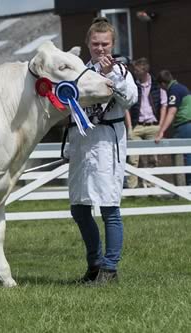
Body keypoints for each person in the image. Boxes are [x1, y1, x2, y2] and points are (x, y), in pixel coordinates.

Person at [66, 17, 138, 284]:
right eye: (95, 43)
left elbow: (131, 99)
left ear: (112, 43)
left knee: (109, 206)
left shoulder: (120, 71)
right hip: (82, 143)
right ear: (88, 43)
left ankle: (110, 268)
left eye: (105, 43)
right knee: (79, 208)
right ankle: (94, 264)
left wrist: (110, 78)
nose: (100, 48)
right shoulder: (79, 72)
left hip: (107, 144)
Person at [125, 58, 167, 188]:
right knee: (133, 159)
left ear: (144, 70)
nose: (135, 72)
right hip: (137, 126)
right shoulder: (132, 85)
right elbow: (126, 107)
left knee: (152, 159)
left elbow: (163, 106)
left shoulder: (157, 86)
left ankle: (149, 187)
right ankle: (132, 189)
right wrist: (130, 127)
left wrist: (160, 127)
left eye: (137, 70)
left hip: (153, 126)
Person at [155, 70, 191, 185]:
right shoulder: (181, 87)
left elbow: (171, 112)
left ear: (163, 84)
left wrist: (161, 132)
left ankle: (186, 187)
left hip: (185, 125)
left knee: (185, 155)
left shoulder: (174, 90)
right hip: (187, 124)